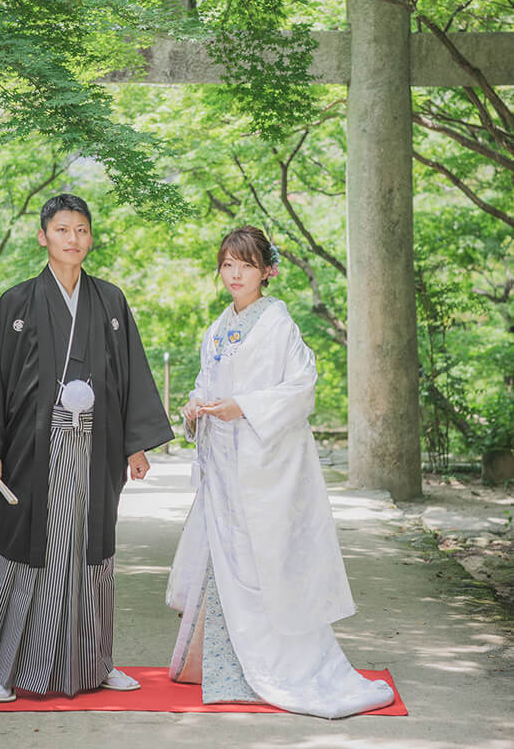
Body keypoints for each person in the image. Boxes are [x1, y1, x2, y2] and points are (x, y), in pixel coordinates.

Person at [166, 226, 395, 719]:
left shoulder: (278, 323)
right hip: (227, 466)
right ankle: (229, 669)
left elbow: (301, 389)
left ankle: (275, 667)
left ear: (266, 271)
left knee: (266, 562)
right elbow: (207, 382)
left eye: (245, 265)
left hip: (266, 467)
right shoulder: (217, 327)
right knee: (228, 562)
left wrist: (243, 407)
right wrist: (195, 407)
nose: (234, 274)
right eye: (227, 264)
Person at [0, 193, 173, 702]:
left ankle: (95, 665)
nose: (72, 238)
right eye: (61, 229)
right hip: (34, 448)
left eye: (81, 230)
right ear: (43, 236)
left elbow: (130, 376)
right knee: (28, 550)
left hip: (96, 447)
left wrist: (136, 445)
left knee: (92, 549)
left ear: (90, 238)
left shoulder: (111, 301)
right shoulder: (17, 301)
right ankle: (6, 671)